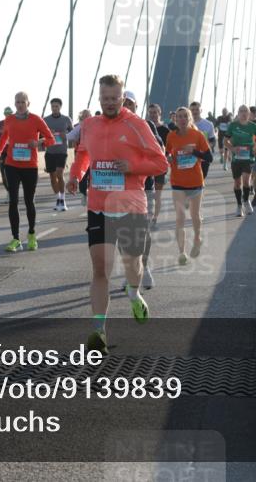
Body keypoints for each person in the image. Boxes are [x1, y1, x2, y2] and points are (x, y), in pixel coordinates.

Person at [67, 75, 169, 353]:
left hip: (130, 206)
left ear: (123, 98)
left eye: (115, 98)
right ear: (99, 98)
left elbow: (161, 163)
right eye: (105, 98)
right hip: (98, 206)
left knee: (133, 265)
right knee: (100, 269)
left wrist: (133, 166)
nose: (110, 103)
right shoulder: (90, 125)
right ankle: (98, 331)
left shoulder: (137, 125)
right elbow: (83, 154)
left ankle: (133, 293)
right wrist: (76, 175)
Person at [0, 91, 55, 252]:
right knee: (13, 201)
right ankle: (15, 239)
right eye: (17, 102)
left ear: (28, 103)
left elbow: (51, 139)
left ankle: (32, 234)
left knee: (29, 201)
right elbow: (4, 137)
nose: (20, 105)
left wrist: (38, 142)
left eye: (23, 102)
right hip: (12, 165)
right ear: (14, 104)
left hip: (30, 166)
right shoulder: (9, 120)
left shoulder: (36, 119)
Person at [121, 92, 160, 289]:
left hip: (145, 187)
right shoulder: (113, 126)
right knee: (122, 233)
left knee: (143, 231)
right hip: (118, 188)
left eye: (130, 103)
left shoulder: (146, 125)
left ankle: (144, 266)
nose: (127, 106)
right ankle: (130, 271)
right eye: (124, 103)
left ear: (137, 106)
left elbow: (158, 151)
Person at [164, 107, 212, 265]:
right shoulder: (171, 136)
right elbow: (167, 152)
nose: (182, 119)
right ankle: (181, 252)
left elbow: (209, 157)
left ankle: (197, 239)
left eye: (185, 116)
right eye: (179, 116)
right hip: (178, 182)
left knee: (195, 215)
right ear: (175, 120)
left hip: (195, 182)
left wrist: (194, 152)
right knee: (180, 218)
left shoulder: (197, 135)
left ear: (189, 118)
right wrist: (168, 157)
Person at [225, 105, 256, 217]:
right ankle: (239, 205)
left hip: (248, 157)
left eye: (246, 111)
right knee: (237, 183)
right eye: (241, 111)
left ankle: (246, 201)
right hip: (236, 158)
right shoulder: (233, 125)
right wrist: (232, 149)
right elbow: (225, 140)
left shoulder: (253, 126)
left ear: (249, 114)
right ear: (238, 113)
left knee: (246, 181)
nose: (244, 113)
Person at [43, 98, 73, 212]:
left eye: (56, 106)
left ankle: (63, 200)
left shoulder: (66, 119)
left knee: (59, 174)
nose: (54, 108)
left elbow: (73, 133)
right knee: (52, 177)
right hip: (50, 151)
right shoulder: (45, 120)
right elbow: (40, 134)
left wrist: (65, 134)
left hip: (61, 151)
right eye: (53, 106)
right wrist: (47, 133)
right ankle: (58, 198)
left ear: (60, 107)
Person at [145, 103, 169, 229]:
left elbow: (170, 147)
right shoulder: (144, 127)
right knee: (148, 194)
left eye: (155, 112)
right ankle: (147, 217)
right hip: (146, 167)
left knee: (157, 195)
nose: (153, 115)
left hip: (160, 168)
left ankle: (154, 219)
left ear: (160, 113)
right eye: (151, 112)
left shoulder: (165, 130)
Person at [67, 109, 93, 206]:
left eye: (88, 116)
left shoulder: (98, 125)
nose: (86, 118)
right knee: (83, 176)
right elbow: (69, 136)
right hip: (82, 154)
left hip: (95, 157)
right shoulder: (79, 127)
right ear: (81, 118)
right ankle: (84, 193)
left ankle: (90, 193)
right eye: (84, 116)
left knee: (92, 176)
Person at [188, 101, 217, 179]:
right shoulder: (185, 124)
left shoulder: (208, 124)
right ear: (189, 111)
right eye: (192, 110)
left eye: (197, 109)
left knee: (201, 179)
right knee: (190, 180)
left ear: (201, 110)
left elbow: (213, 140)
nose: (194, 112)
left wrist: (207, 147)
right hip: (189, 158)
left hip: (203, 157)